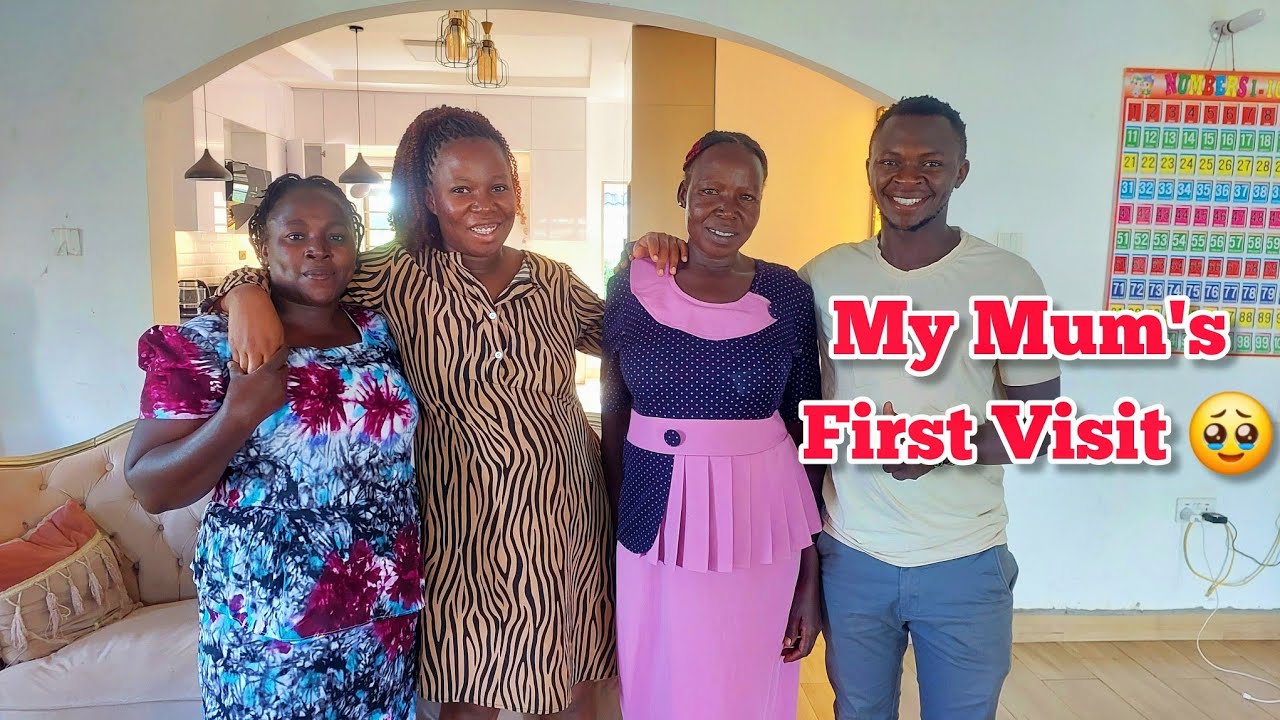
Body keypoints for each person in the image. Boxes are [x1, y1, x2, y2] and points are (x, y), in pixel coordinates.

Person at [203, 106, 685, 720]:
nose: (485, 205)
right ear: (429, 197)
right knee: (470, 692)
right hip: (461, 521)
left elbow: (635, 331)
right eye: (461, 190)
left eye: (498, 187)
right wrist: (242, 286)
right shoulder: (390, 275)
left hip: (568, 513)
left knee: (575, 686)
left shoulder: (554, 281)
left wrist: (646, 257)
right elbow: (303, 276)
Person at [799, 96, 1062, 720]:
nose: (908, 177)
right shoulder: (823, 277)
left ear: (961, 172)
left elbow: (1040, 427)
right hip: (853, 553)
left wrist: (941, 445)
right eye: (891, 160)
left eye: (931, 162)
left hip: (965, 559)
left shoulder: (1007, 278)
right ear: (869, 167)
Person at [124, 175, 423, 719]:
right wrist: (238, 414)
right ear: (263, 245)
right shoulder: (208, 343)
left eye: (336, 235)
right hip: (269, 618)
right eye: (295, 235)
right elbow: (150, 486)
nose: (317, 248)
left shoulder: (380, 332)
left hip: (382, 609)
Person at [601, 131, 824, 720]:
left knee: (746, 683)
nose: (727, 209)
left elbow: (808, 434)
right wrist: (610, 536)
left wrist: (811, 576)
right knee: (659, 681)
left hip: (761, 526)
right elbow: (613, 419)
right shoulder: (630, 283)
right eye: (710, 191)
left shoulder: (788, 294)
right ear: (683, 193)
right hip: (652, 524)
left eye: (747, 196)